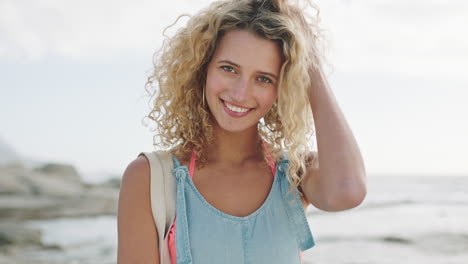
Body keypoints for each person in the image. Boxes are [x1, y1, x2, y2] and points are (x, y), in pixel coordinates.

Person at [117, 0, 367, 263]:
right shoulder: (149, 178)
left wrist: (310, 63)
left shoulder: (294, 174)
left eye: (263, 78)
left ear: (282, 88)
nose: (240, 93)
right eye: (229, 68)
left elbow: (348, 191)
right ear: (202, 69)